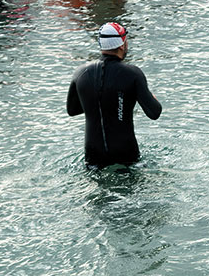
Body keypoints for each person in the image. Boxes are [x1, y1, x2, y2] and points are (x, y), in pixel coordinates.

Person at [66, 21, 162, 167]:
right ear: (122, 44)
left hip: (93, 155)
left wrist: (98, 101)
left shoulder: (81, 73)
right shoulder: (132, 74)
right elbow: (154, 112)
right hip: (125, 154)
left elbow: (72, 110)